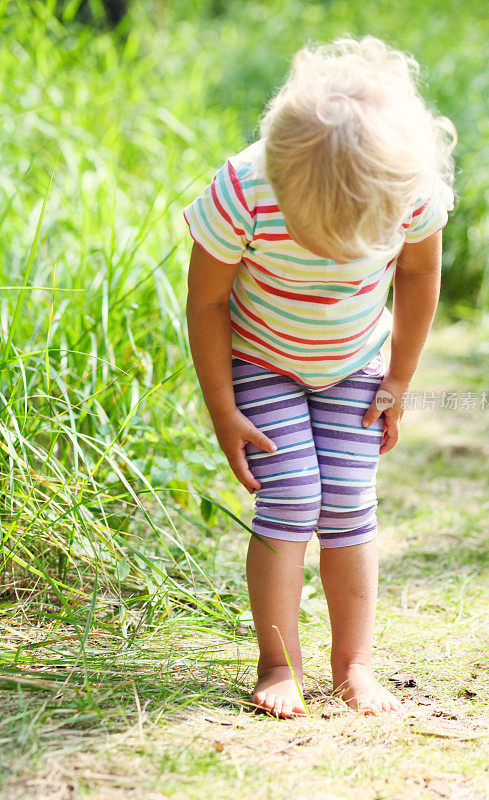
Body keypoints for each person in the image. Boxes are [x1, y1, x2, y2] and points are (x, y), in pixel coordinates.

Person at [184, 34, 457, 719]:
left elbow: (420, 274)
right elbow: (208, 299)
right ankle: (279, 661)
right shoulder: (245, 188)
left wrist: (398, 378)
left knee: (346, 502)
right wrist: (222, 409)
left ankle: (353, 664)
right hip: (261, 358)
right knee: (292, 495)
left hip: (354, 361)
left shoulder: (406, 187)